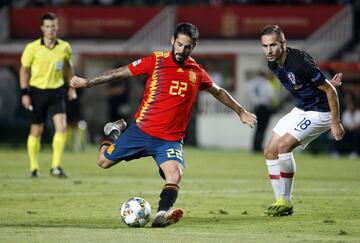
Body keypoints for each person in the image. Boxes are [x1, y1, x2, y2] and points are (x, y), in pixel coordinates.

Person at [70, 23, 257, 227]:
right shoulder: (155, 61)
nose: (181, 50)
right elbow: (119, 72)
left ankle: (161, 214)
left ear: (193, 46)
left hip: (169, 140)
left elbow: (218, 91)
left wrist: (241, 111)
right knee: (103, 162)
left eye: (187, 46)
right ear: (172, 41)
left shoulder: (196, 72)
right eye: (179, 44)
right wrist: (87, 83)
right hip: (141, 131)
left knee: (174, 174)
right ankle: (114, 131)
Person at [260, 25, 345, 216]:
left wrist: (335, 121)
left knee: (284, 146)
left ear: (284, 43)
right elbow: (312, 84)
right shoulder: (272, 63)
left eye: (273, 45)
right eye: (265, 46)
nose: (269, 50)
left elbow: (330, 91)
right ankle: (279, 203)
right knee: (269, 151)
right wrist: (328, 82)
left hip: (320, 112)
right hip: (302, 109)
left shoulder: (299, 63)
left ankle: (286, 202)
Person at [20, 12, 77, 178]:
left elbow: (68, 66)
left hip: (57, 91)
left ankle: (56, 166)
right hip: (37, 91)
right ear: (42, 28)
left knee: (62, 127)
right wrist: (25, 93)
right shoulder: (32, 48)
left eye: (53, 26)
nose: (51, 30)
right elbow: (24, 70)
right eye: (47, 26)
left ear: (57, 27)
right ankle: (34, 168)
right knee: (36, 131)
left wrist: (71, 87)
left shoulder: (64, 47)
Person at [247, 70, 276, 152]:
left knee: (258, 128)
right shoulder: (266, 83)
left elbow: (249, 94)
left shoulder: (252, 83)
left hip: (256, 107)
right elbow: (270, 95)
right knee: (263, 128)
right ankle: (258, 146)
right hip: (265, 107)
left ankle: (255, 146)